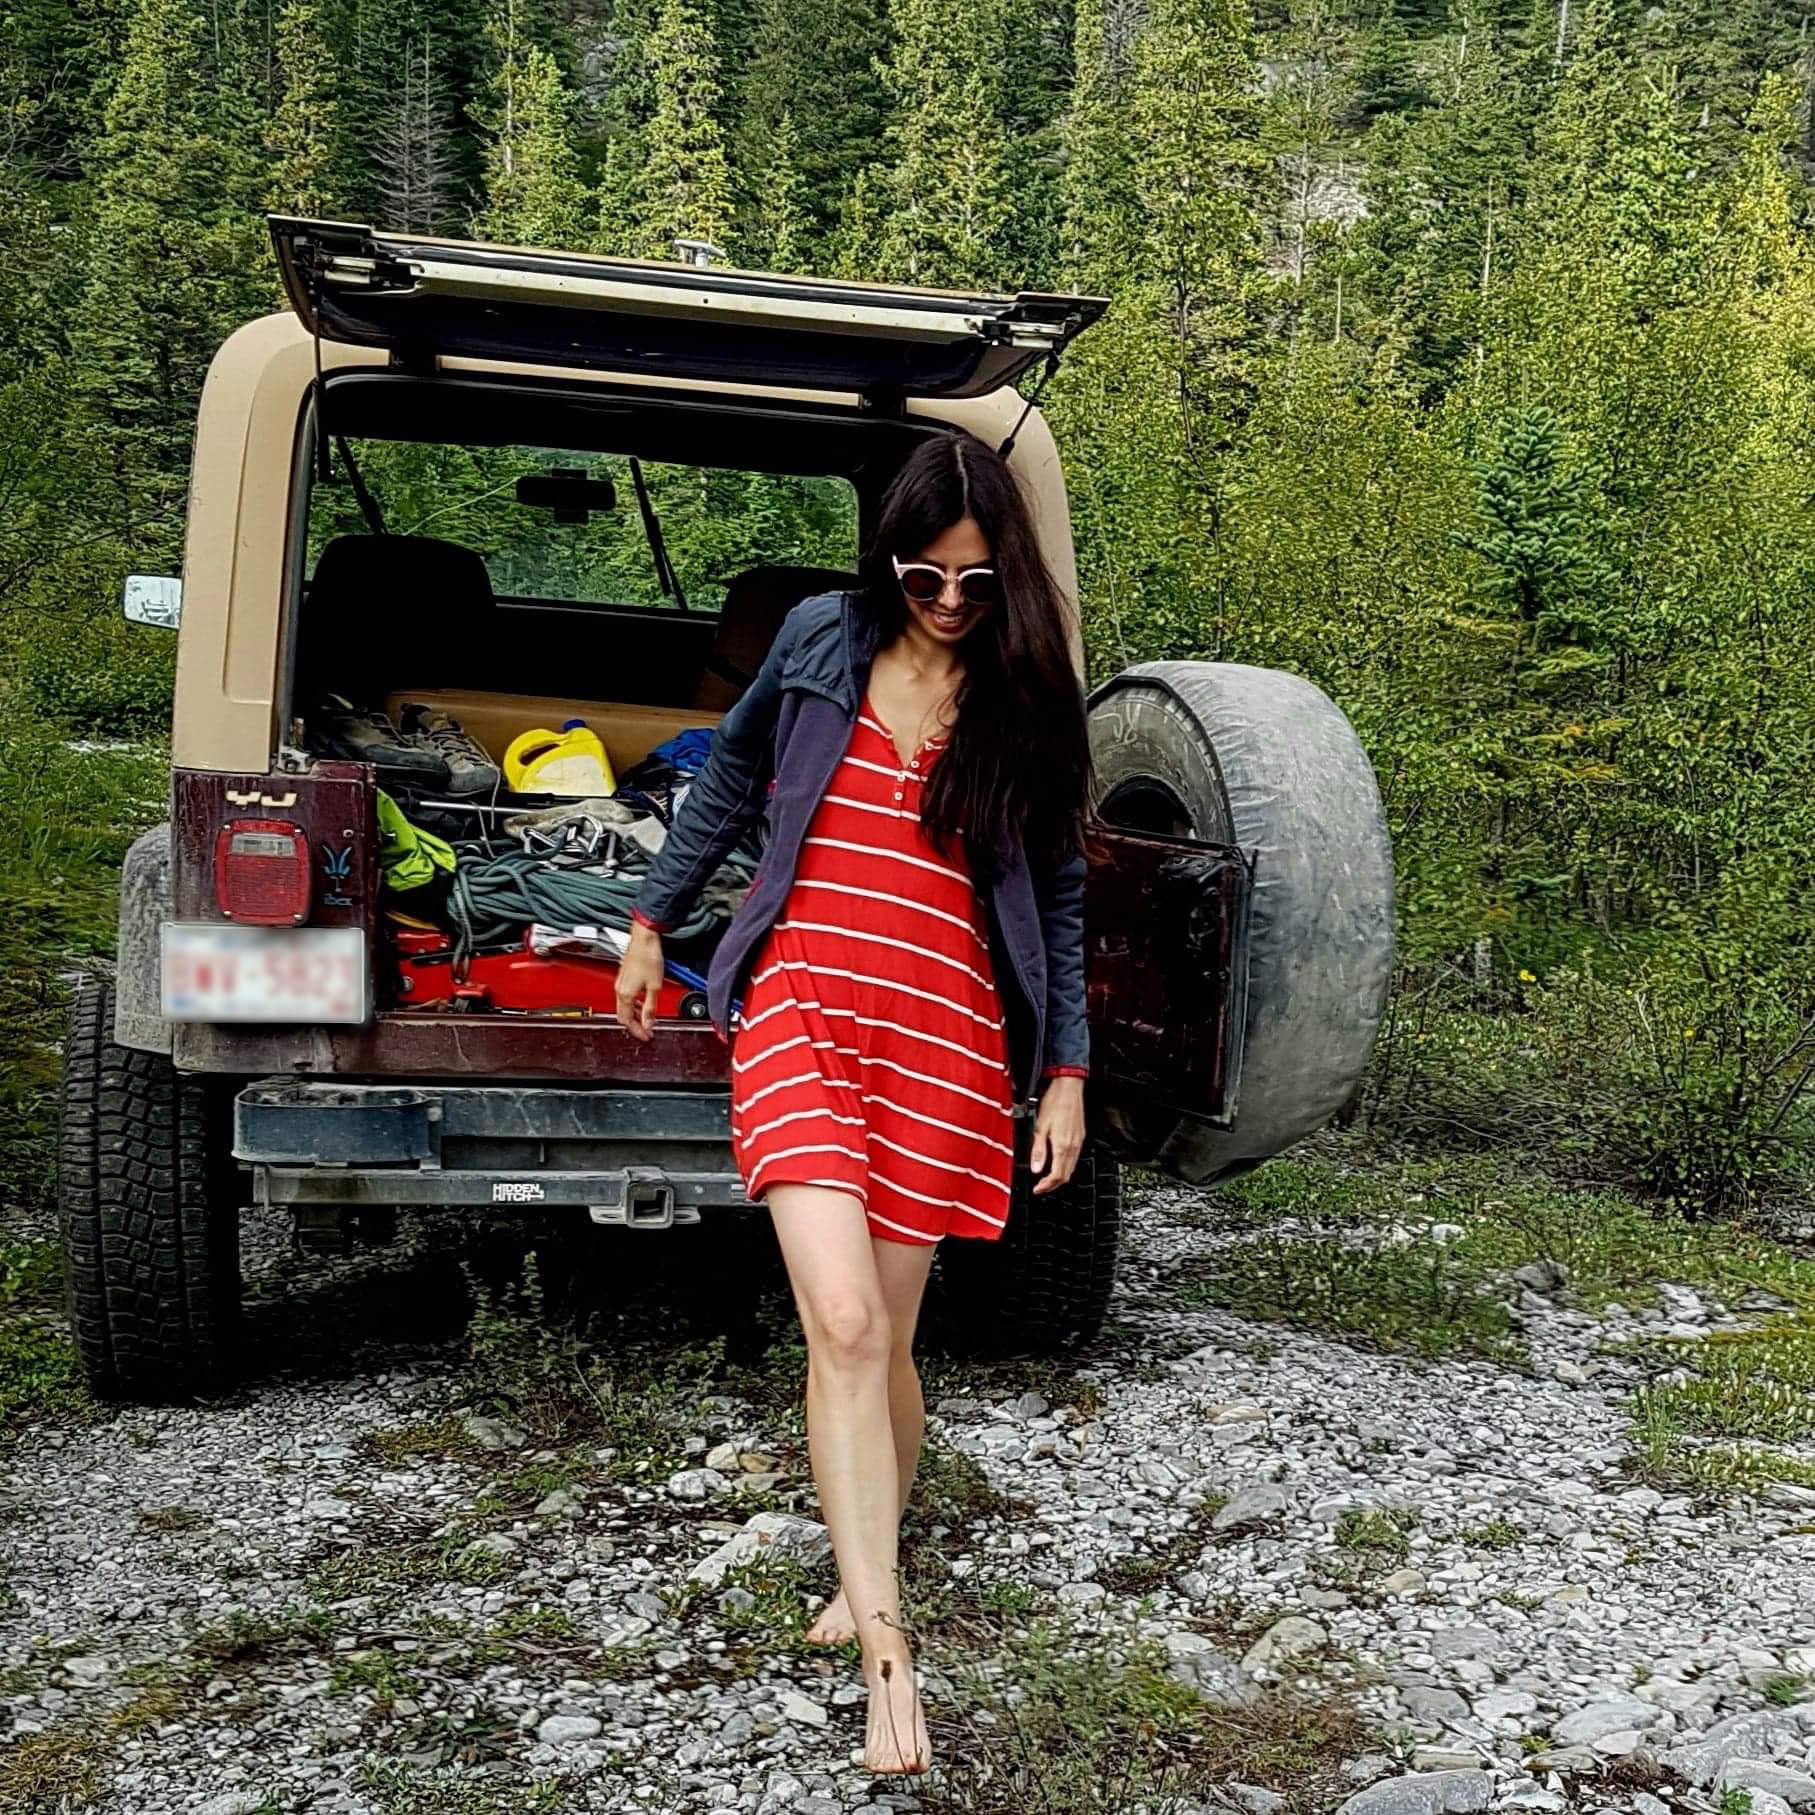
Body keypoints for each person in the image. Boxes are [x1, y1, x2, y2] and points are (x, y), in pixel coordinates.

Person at [617, 429, 1094, 1776]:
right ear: (884, 561)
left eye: (978, 581)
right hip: (805, 1013)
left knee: (885, 1342)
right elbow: (725, 782)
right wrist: (655, 919)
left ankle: (861, 1561)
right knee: (835, 1319)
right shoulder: (824, 637)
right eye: (925, 576)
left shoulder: (1025, 691)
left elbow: (1055, 892)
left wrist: (1064, 1069)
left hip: (946, 1039)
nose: (949, 604)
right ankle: (894, 1659)